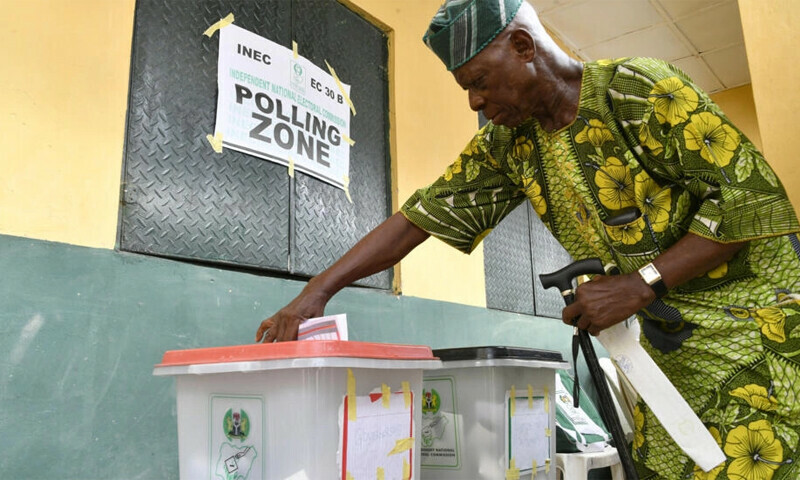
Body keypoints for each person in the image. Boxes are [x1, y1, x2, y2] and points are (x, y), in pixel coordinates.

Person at [257, 0, 800, 477]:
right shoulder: (511, 144)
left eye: (478, 81)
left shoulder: (638, 89)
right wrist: (316, 292)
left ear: (522, 45)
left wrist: (642, 283)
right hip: (670, 356)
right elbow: (420, 216)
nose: (473, 101)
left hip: (758, 334)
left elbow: (746, 202)